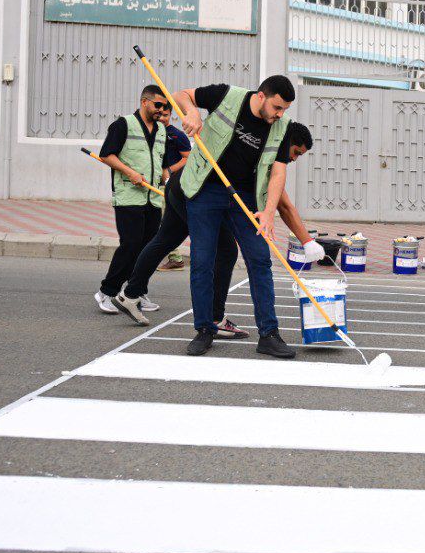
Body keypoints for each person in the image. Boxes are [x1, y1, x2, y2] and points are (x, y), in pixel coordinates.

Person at [174, 76, 325, 358]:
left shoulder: (282, 128)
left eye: (284, 109)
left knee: (260, 261)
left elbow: (279, 172)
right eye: (277, 107)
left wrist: (268, 213)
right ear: (260, 96)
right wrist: (191, 111)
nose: (280, 114)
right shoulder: (226, 94)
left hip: (245, 197)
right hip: (205, 189)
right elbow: (182, 93)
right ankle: (205, 329)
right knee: (203, 262)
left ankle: (269, 334)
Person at [94, 85, 168, 315]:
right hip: (129, 196)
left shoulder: (162, 130)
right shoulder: (123, 124)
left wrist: (168, 181)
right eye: (158, 105)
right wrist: (130, 172)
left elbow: (161, 161)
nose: (161, 110)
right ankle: (106, 291)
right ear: (144, 101)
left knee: (149, 249)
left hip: (153, 198)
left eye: (165, 107)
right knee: (131, 244)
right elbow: (106, 154)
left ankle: (135, 292)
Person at [156, 109, 188, 272]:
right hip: (151, 183)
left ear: (170, 115)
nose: (162, 118)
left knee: (164, 222)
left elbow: (187, 157)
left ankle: (175, 259)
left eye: (165, 115)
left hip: (168, 185)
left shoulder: (176, 135)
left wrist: (169, 170)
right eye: (159, 114)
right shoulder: (151, 132)